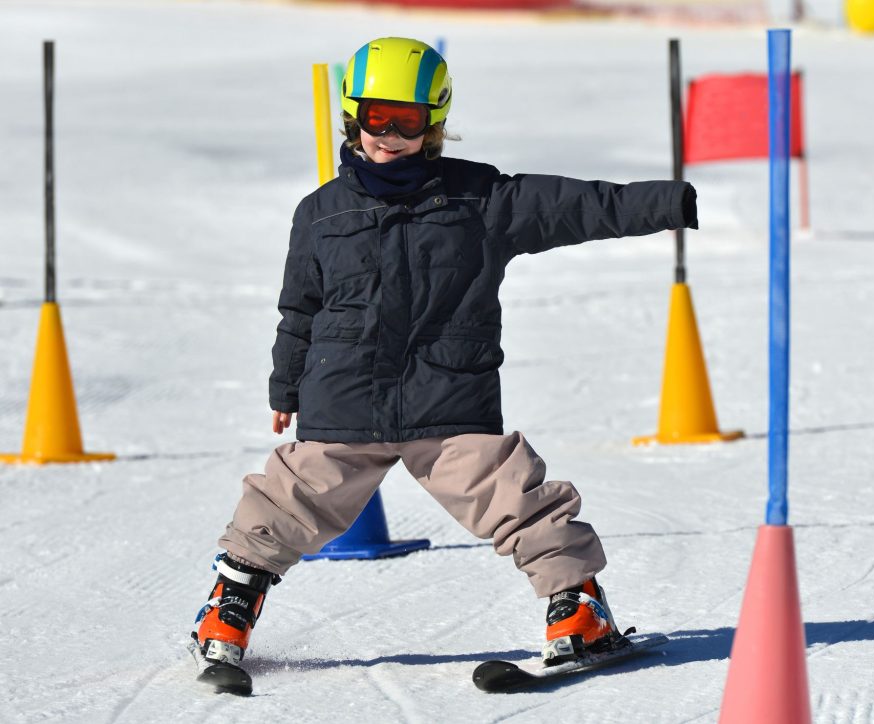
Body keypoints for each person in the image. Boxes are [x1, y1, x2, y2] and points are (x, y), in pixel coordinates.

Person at [191, 36, 698, 688]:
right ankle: (226, 615)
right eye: (378, 119)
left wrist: (670, 203)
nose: (391, 136)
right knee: (288, 499)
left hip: (447, 399)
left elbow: (577, 205)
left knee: (515, 496)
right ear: (353, 116)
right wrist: (285, 385)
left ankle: (577, 615)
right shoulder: (319, 214)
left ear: (434, 125)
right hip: (346, 399)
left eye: (408, 122)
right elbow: (300, 311)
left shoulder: (479, 198)